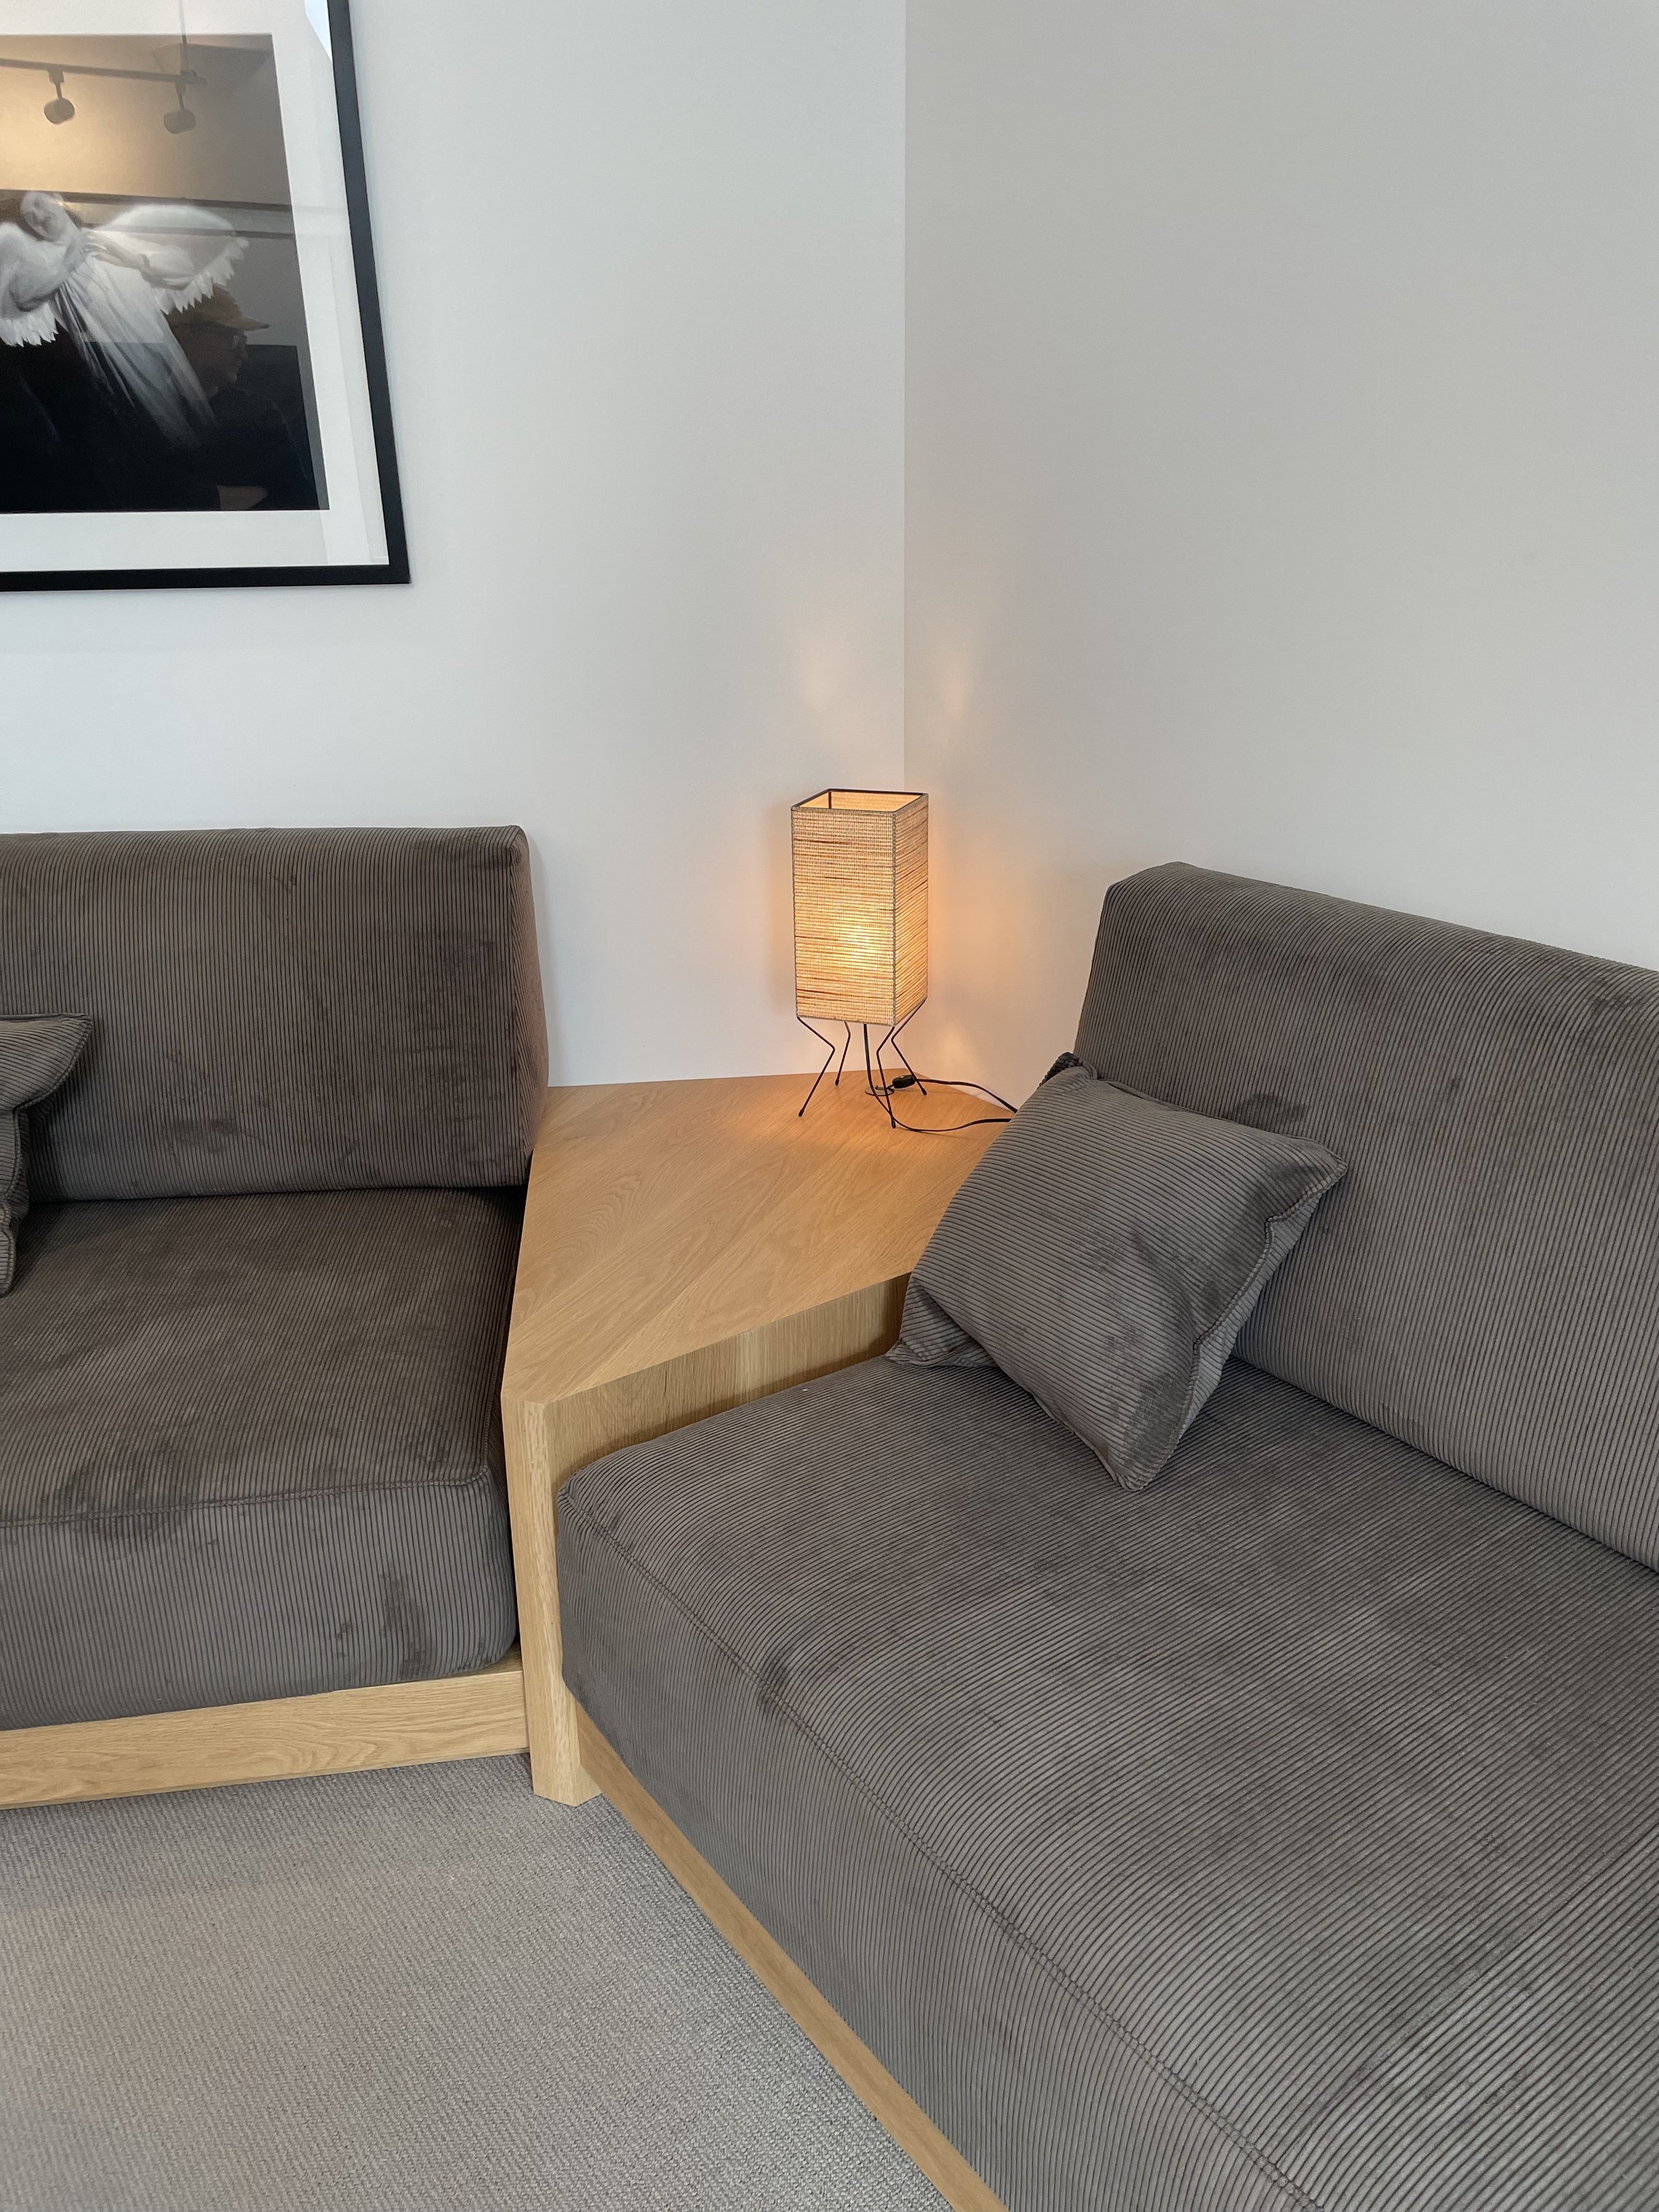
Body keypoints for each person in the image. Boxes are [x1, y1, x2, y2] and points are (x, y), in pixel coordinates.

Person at [166, 287, 319, 510]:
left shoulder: (259, 413)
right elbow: (136, 498)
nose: (243, 354)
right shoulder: (137, 414)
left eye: (243, 342)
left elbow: (299, 499)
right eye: (233, 340)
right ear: (186, 337)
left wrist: (201, 498)